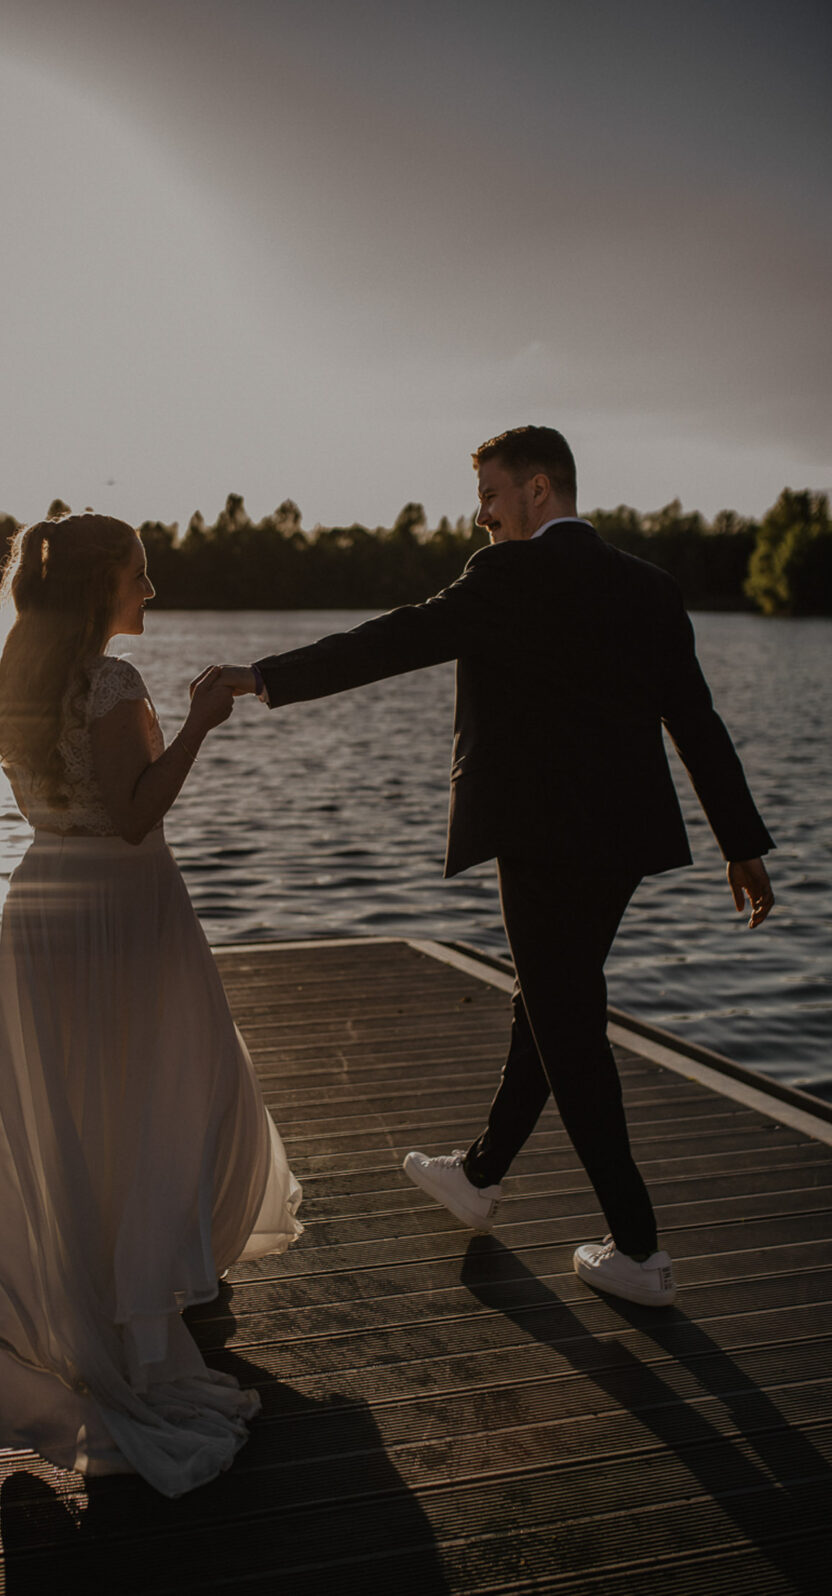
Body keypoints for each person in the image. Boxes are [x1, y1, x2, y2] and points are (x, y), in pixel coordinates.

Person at [210, 426, 773, 1308]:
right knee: (549, 1001)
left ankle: (640, 1249)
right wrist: (742, 845)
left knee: (568, 1023)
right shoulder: (650, 589)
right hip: (625, 843)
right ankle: (478, 1176)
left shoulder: (509, 578)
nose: (482, 518)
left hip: (543, 844)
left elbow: (394, 640)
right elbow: (695, 721)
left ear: (539, 491)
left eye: (491, 498)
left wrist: (260, 678)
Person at [0, 508, 302, 1498]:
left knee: (74, 1113)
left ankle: (103, 1293)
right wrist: (200, 722)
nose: (151, 591)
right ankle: (144, 1299)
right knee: (165, 1094)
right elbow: (138, 818)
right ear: (105, 581)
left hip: (42, 904)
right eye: (142, 575)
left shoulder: (13, 677)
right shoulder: (112, 683)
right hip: (119, 903)